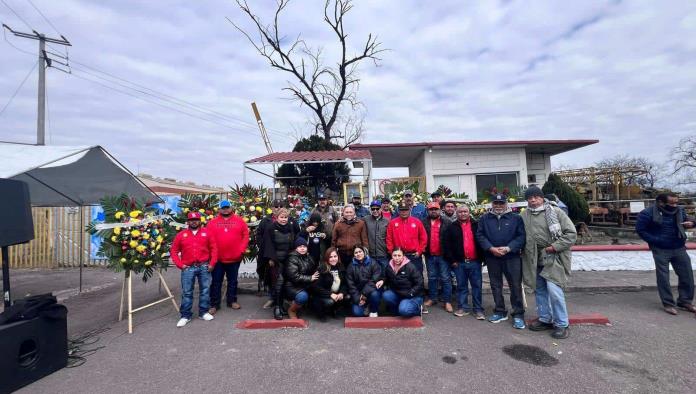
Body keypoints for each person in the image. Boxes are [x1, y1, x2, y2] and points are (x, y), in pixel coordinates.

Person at [521, 186, 577, 339]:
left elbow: (571, 234)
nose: (532, 200)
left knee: (554, 291)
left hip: (554, 257)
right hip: (534, 259)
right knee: (540, 290)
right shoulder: (524, 215)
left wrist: (554, 247)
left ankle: (562, 324)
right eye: (529, 198)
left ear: (541, 198)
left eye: (536, 197)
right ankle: (545, 319)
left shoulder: (555, 212)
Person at [636, 192, 695, 315]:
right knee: (663, 277)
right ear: (661, 202)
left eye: (676, 202)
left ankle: (685, 301)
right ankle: (668, 304)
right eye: (672, 203)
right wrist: (656, 241)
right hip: (660, 249)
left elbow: (688, 220)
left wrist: (692, 224)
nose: (675, 205)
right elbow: (641, 230)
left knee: (687, 275)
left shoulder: (680, 211)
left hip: (679, 247)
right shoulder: (647, 213)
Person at [476, 194, 526, 329]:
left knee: (515, 286)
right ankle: (500, 311)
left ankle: (518, 314)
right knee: (495, 285)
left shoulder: (516, 218)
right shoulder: (484, 218)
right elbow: (480, 235)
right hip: (493, 257)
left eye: (501, 203)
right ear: (492, 204)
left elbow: (521, 236)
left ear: (506, 204)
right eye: (496, 203)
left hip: (512, 257)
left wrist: (509, 248)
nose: (498, 206)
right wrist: (491, 248)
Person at [170, 212, 218, 327]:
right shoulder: (181, 235)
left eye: (196, 219)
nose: (194, 221)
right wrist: (180, 265)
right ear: (188, 222)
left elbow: (214, 249)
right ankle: (185, 315)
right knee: (187, 292)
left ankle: (203, 312)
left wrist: (212, 263)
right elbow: (174, 251)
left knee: (205, 290)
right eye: (191, 220)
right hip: (188, 268)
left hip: (204, 266)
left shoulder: (207, 233)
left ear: (200, 221)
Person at [443, 205, 486, 320]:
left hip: (475, 262)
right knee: (461, 286)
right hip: (459, 263)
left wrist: (482, 259)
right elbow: (447, 246)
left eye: (465, 211)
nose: (463, 214)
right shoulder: (452, 227)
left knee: (477, 286)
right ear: (457, 214)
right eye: (460, 212)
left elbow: (483, 241)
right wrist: (453, 261)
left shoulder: (477, 225)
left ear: (469, 212)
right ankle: (463, 307)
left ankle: (478, 309)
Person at [207, 199, 249, 314]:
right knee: (216, 282)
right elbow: (208, 239)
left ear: (231, 208)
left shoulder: (240, 221)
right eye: (223, 208)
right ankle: (214, 304)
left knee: (233, 281)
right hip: (218, 259)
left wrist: (241, 250)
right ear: (219, 209)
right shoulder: (212, 223)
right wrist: (211, 255)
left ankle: (232, 301)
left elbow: (245, 235)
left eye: (227, 207)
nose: (225, 210)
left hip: (234, 258)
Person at [256, 200, 300, 309]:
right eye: (276, 206)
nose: (278, 207)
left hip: (288, 257)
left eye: (280, 206)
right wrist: (269, 256)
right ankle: (274, 300)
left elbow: (297, 236)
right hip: (274, 257)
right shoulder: (268, 223)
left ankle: (285, 300)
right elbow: (264, 239)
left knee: (287, 278)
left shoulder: (291, 223)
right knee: (274, 279)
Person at [422, 202, 452, 313]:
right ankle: (432, 298)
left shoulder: (447, 222)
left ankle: (447, 301)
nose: (433, 211)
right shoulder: (424, 222)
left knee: (445, 278)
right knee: (432, 278)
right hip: (430, 255)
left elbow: (451, 239)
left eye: (436, 209)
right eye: (431, 209)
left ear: (440, 210)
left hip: (443, 255)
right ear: (428, 210)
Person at [386, 203, 427, 274]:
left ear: (410, 210)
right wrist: (392, 252)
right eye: (402, 210)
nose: (404, 212)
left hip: (414, 256)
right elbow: (389, 239)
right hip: (399, 256)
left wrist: (420, 251)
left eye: (406, 210)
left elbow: (423, 237)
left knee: (417, 276)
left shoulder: (417, 222)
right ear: (398, 211)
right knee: (401, 278)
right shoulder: (392, 223)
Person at [283, 237, 319, 319]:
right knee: (303, 296)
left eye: (304, 246)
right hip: (293, 286)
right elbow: (294, 277)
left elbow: (314, 268)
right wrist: (310, 278)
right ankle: (292, 310)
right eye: (300, 246)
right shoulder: (292, 258)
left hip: (305, 284)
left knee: (319, 289)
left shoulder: (308, 257)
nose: (302, 248)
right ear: (296, 248)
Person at [310, 247, 349, 321]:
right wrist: (330, 294)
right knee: (329, 302)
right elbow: (315, 287)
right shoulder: (322, 268)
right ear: (327, 258)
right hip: (322, 295)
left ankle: (334, 310)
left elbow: (345, 283)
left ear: (338, 257)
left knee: (347, 297)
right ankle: (322, 312)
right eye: (330, 257)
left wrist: (341, 293)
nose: (333, 259)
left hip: (336, 293)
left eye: (335, 256)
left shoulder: (341, 267)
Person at [382, 248, 424, 317]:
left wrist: (411, 293)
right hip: (399, 294)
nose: (397, 258)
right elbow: (386, 277)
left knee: (404, 311)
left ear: (403, 256)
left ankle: (418, 309)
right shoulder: (389, 266)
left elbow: (420, 282)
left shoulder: (410, 267)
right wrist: (382, 280)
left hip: (412, 295)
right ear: (391, 256)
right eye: (394, 255)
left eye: (399, 255)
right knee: (386, 295)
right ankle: (398, 310)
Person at [346, 245, 383, 317]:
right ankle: (365, 306)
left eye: (360, 251)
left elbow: (375, 279)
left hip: (371, 291)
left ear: (364, 252)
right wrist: (357, 298)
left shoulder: (373, 263)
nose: (358, 254)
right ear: (353, 255)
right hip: (358, 294)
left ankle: (373, 310)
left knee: (375, 295)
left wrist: (364, 294)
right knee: (357, 313)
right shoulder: (350, 267)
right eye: (356, 252)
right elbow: (351, 284)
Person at [365, 200, 390, 272]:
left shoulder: (387, 221)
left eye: (377, 208)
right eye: (373, 209)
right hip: (370, 255)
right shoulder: (365, 220)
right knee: (372, 275)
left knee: (384, 275)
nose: (375, 210)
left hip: (383, 254)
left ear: (381, 208)